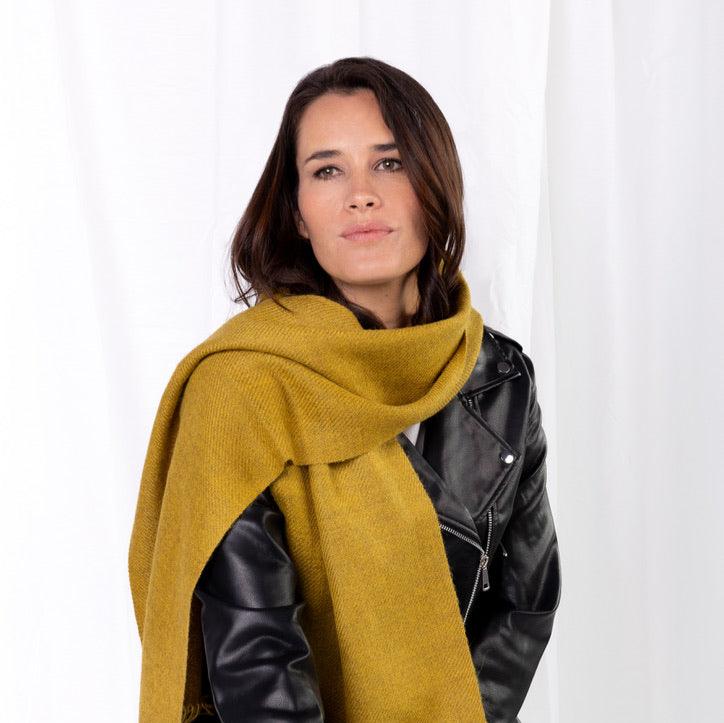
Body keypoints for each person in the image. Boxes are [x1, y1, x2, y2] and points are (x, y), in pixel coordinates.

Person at [130, 56, 561, 723]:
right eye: (327, 170)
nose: (361, 194)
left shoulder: (497, 376)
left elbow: (525, 600)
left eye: (389, 163)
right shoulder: (242, 388)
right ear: (298, 212)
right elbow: (256, 663)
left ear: (434, 185)